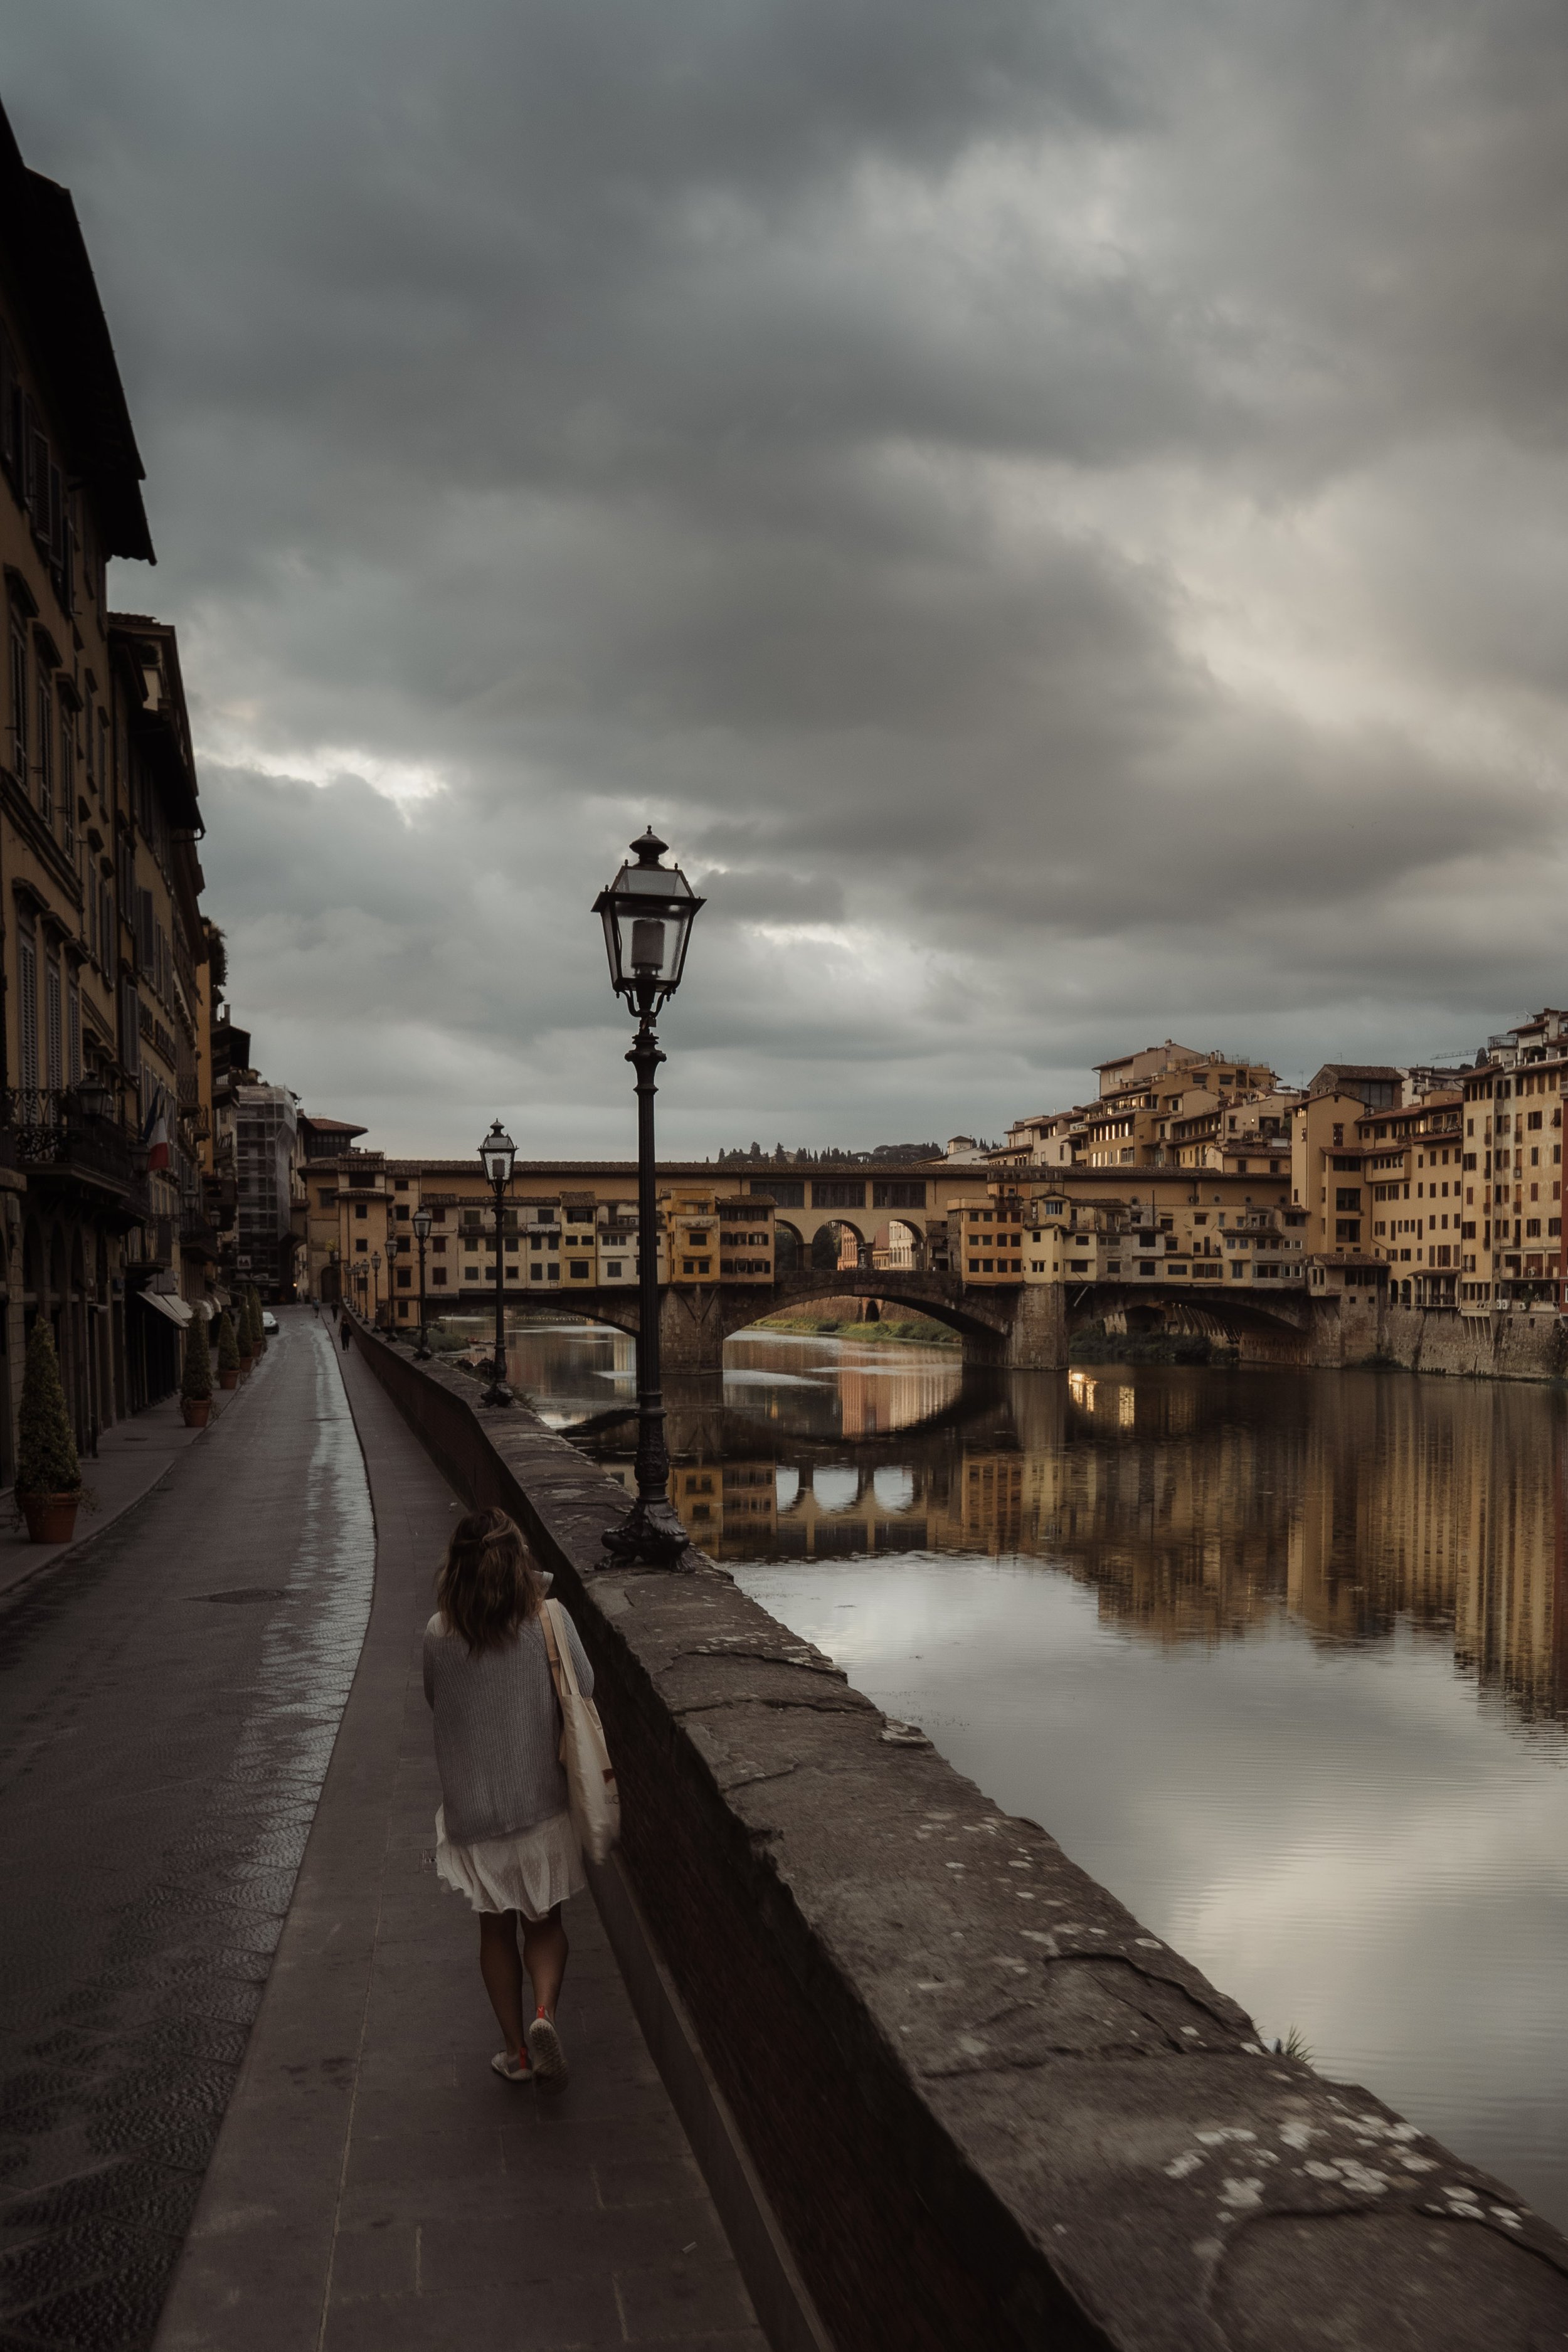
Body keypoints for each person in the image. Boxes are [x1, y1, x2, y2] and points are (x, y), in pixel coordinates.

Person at [422, 1507, 592, 2087]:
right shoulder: (550, 1619)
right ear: (519, 1559)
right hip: (540, 1802)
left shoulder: (438, 1634)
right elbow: (586, 1687)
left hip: (475, 1810)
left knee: (494, 1930)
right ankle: (545, 2013)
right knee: (544, 1925)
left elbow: (434, 1699)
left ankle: (517, 2052)